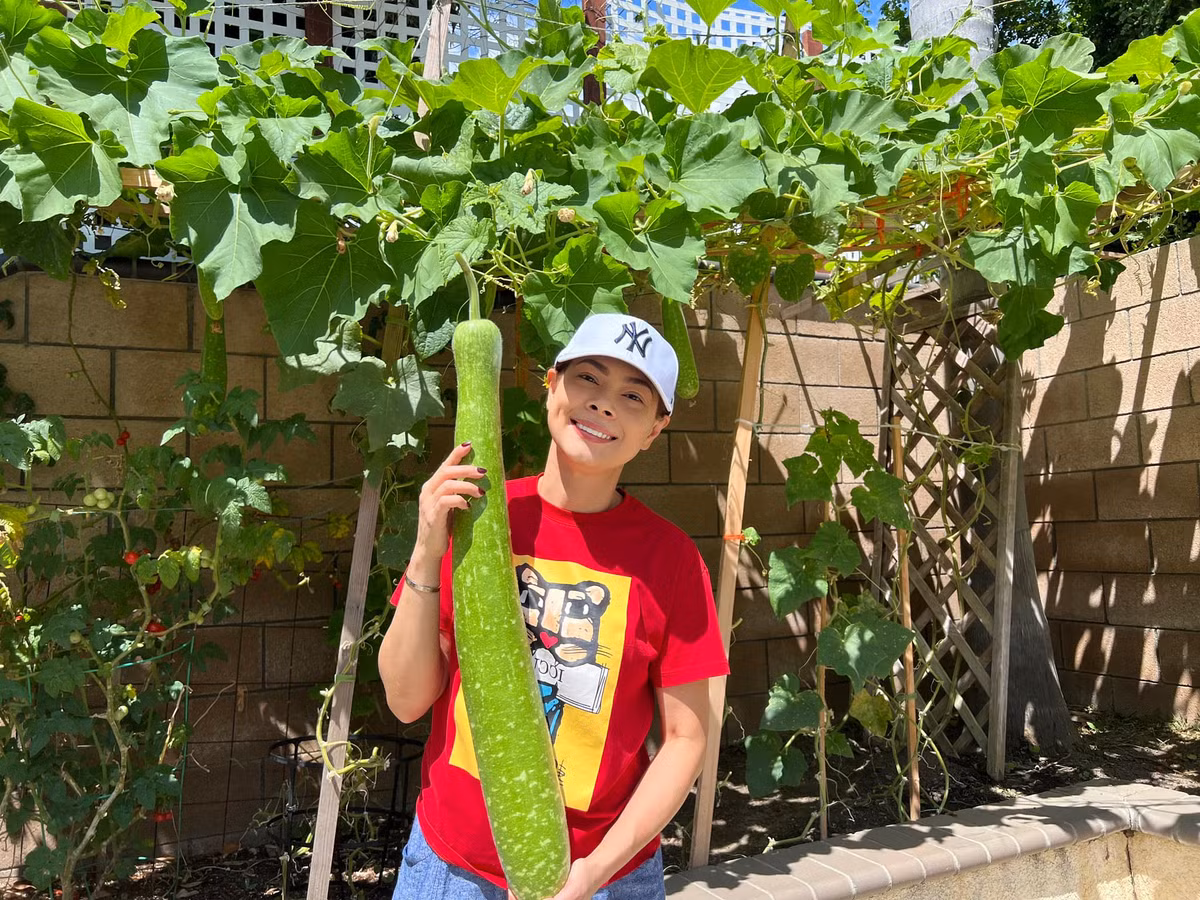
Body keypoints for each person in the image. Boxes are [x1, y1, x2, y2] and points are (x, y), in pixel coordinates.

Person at [379, 312, 730, 900]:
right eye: (588, 378)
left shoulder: (671, 561)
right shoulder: (479, 517)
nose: (603, 404)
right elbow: (407, 700)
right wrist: (425, 549)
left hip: (604, 878)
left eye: (633, 395)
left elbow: (687, 741)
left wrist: (593, 872)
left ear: (654, 430)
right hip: (450, 869)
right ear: (551, 385)